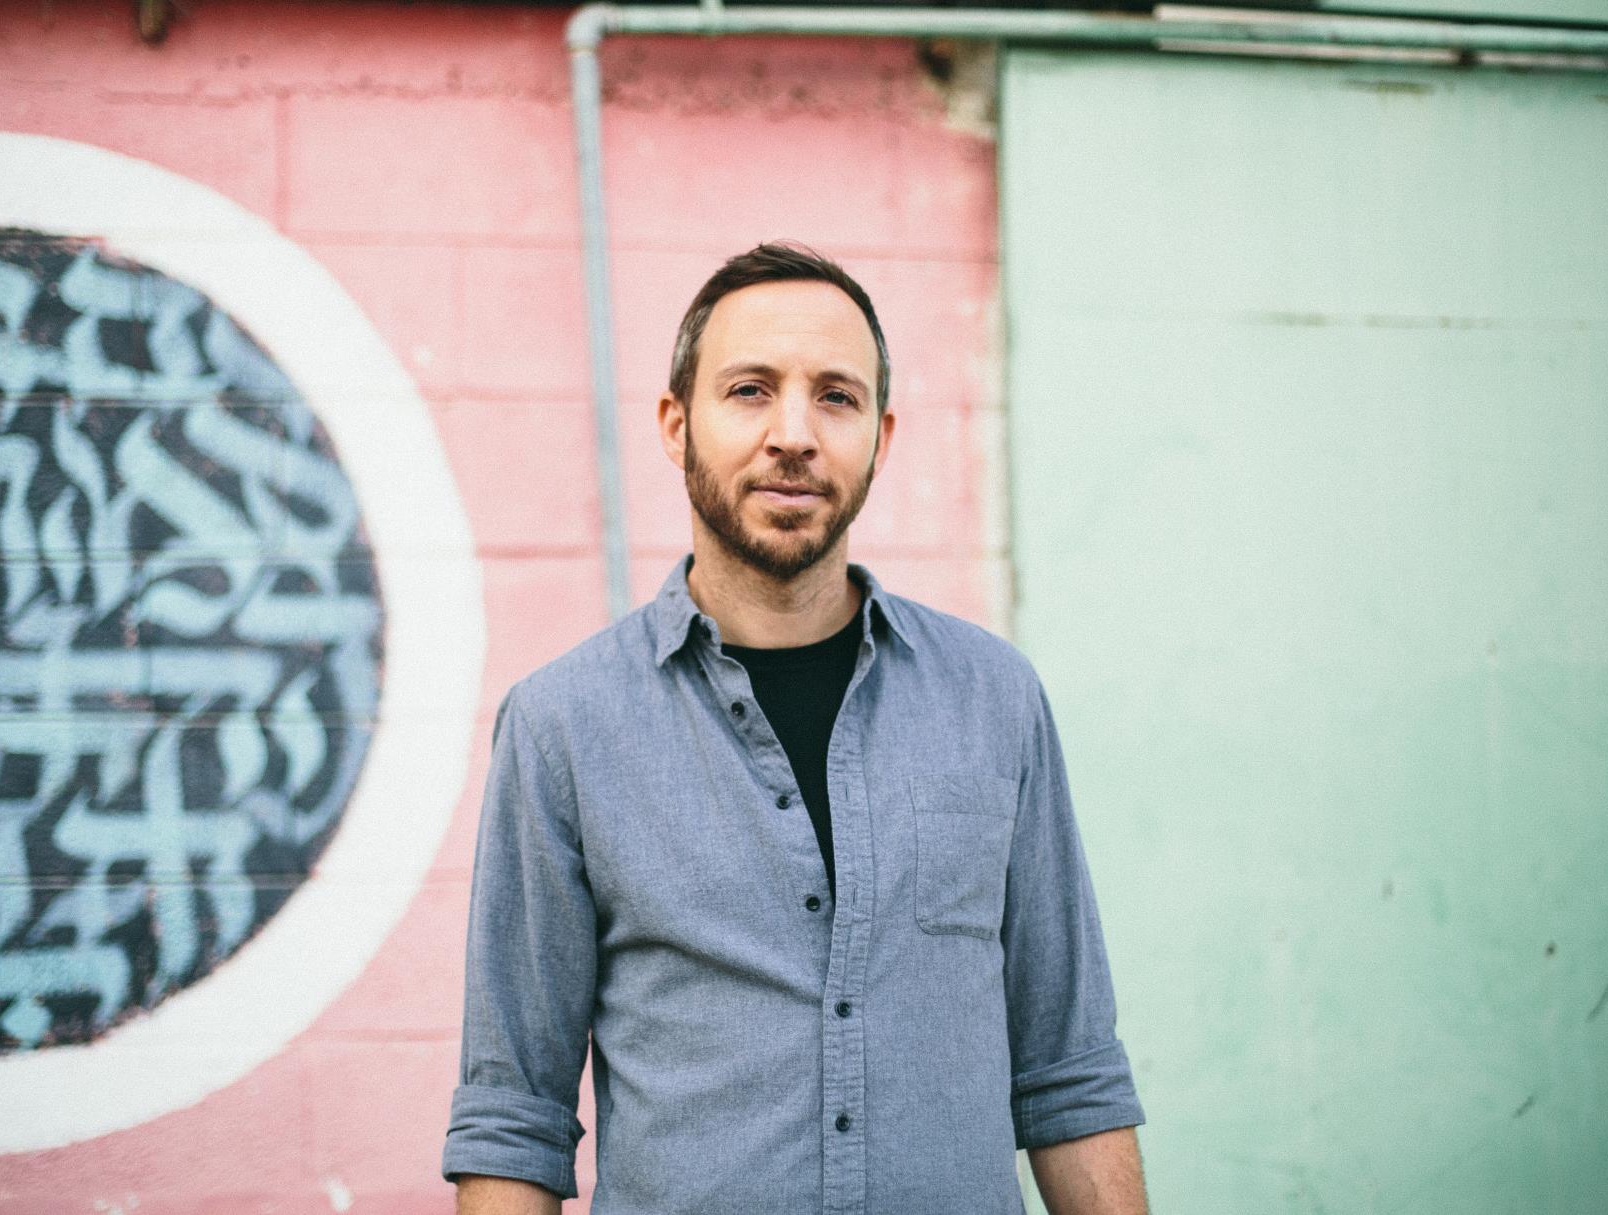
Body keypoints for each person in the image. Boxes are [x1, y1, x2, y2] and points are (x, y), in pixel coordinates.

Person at [442, 242, 1147, 1214]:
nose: (794, 435)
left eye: (835, 397)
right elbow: (514, 1112)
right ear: (675, 425)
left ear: (880, 437)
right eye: (749, 390)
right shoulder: (562, 726)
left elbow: (1069, 1070)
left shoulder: (996, 699)